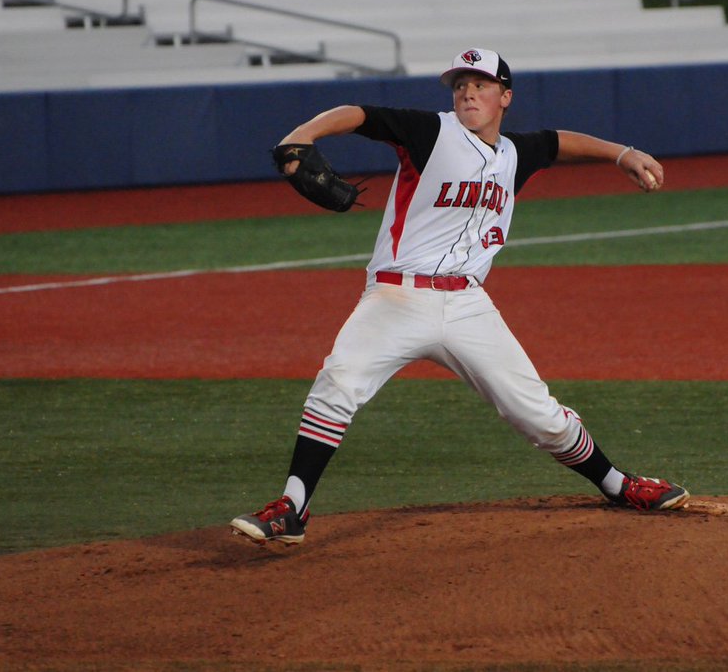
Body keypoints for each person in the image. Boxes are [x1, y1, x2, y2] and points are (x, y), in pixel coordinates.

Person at [231, 48, 688, 545]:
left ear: (504, 97)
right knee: (337, 382)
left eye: (481, 84)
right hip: (395, 299)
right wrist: (305, 134)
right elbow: (360, 114)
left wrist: (623, 154)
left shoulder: (514, 153)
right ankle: (292, 507)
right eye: (460, 84)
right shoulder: (433, 132)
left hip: (468, 306)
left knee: (538, 414)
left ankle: (619, 485)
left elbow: (558, 143)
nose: (468, 92)